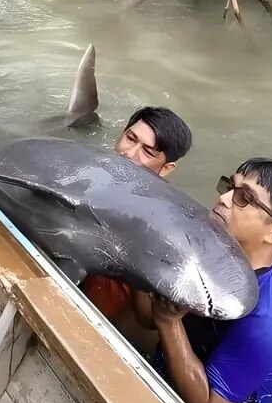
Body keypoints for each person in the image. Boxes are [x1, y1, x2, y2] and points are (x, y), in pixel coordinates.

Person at [134, 158, 272, 403]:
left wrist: (168, 321)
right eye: (230, 186)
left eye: (244, 198)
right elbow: (146, 319)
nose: (225, 198)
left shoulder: (268, 320)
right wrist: (146, 258)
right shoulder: (219, 243)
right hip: (185, 359)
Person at [80, 106, 193, 320]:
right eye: (130, 139)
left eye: (148, 152)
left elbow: (146, 315)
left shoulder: (161, 224)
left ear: (167, 168)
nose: (130, 154)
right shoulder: (90, 172)